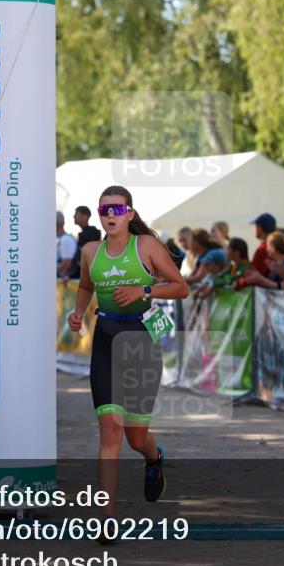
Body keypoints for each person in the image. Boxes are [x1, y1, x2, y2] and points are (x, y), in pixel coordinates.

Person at [66, 186, 188, 541]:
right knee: (109, 431)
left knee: (135, 437)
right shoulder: (90, 250)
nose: (111, 215)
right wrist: (77, 313)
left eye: (118, 209)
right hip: (105, 338)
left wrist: (143, 291)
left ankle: (153, 457)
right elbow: (86, 286)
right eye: (105, 209)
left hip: (141, 341)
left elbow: (180, 287)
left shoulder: (146, 247)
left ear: (130, 214)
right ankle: (107, 517)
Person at [71, 206, 102, 279]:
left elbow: (86, 262)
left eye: (76, 214)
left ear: (85, 216)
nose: (74, 216)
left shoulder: (90, 235)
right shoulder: (87, 234)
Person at [56, 211, 77, 279]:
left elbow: (66, 264)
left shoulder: (65, 239)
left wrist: (47, 270)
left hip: (62, 284)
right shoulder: (60, 239)